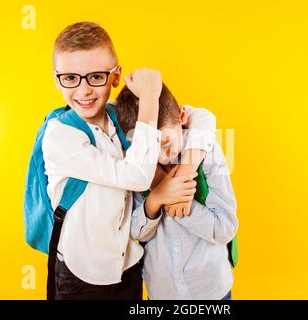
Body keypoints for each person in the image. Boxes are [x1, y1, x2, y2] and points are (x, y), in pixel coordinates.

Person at [42, 21, 216, 299]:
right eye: (71, 78)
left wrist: (186, 171)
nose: (84, 90)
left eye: (96, 76)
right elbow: (136, 176)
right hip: (82, 274)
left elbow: (203, 117)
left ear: (115, 76)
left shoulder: (117, 116)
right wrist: (149, 96)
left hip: (128, 266)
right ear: (56, 78)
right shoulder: (61, 136)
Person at [115, 83, 238, 300]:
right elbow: (135, 231)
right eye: (150, 149)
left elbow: (225, 228)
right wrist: (155, 200)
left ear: (182, 116)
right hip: (163, 291)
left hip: (210, 289)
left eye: (166, 142)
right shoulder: (136, 166)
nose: (161, 156)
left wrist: (180, 203)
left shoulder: (208, 153)